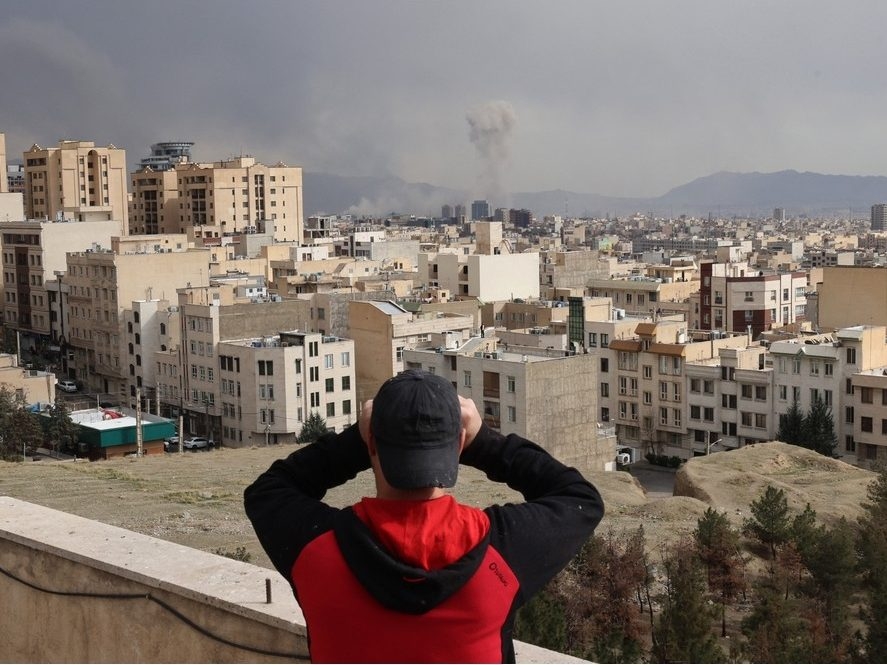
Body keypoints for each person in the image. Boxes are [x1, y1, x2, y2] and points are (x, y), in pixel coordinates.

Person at [244, 369, 604, 663]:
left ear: (372, 443)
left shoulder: (317, 552)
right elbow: (579, 499)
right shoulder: (501, 554)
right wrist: (485, 442)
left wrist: (355, 440)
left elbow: (268, 491)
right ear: (459, 444)